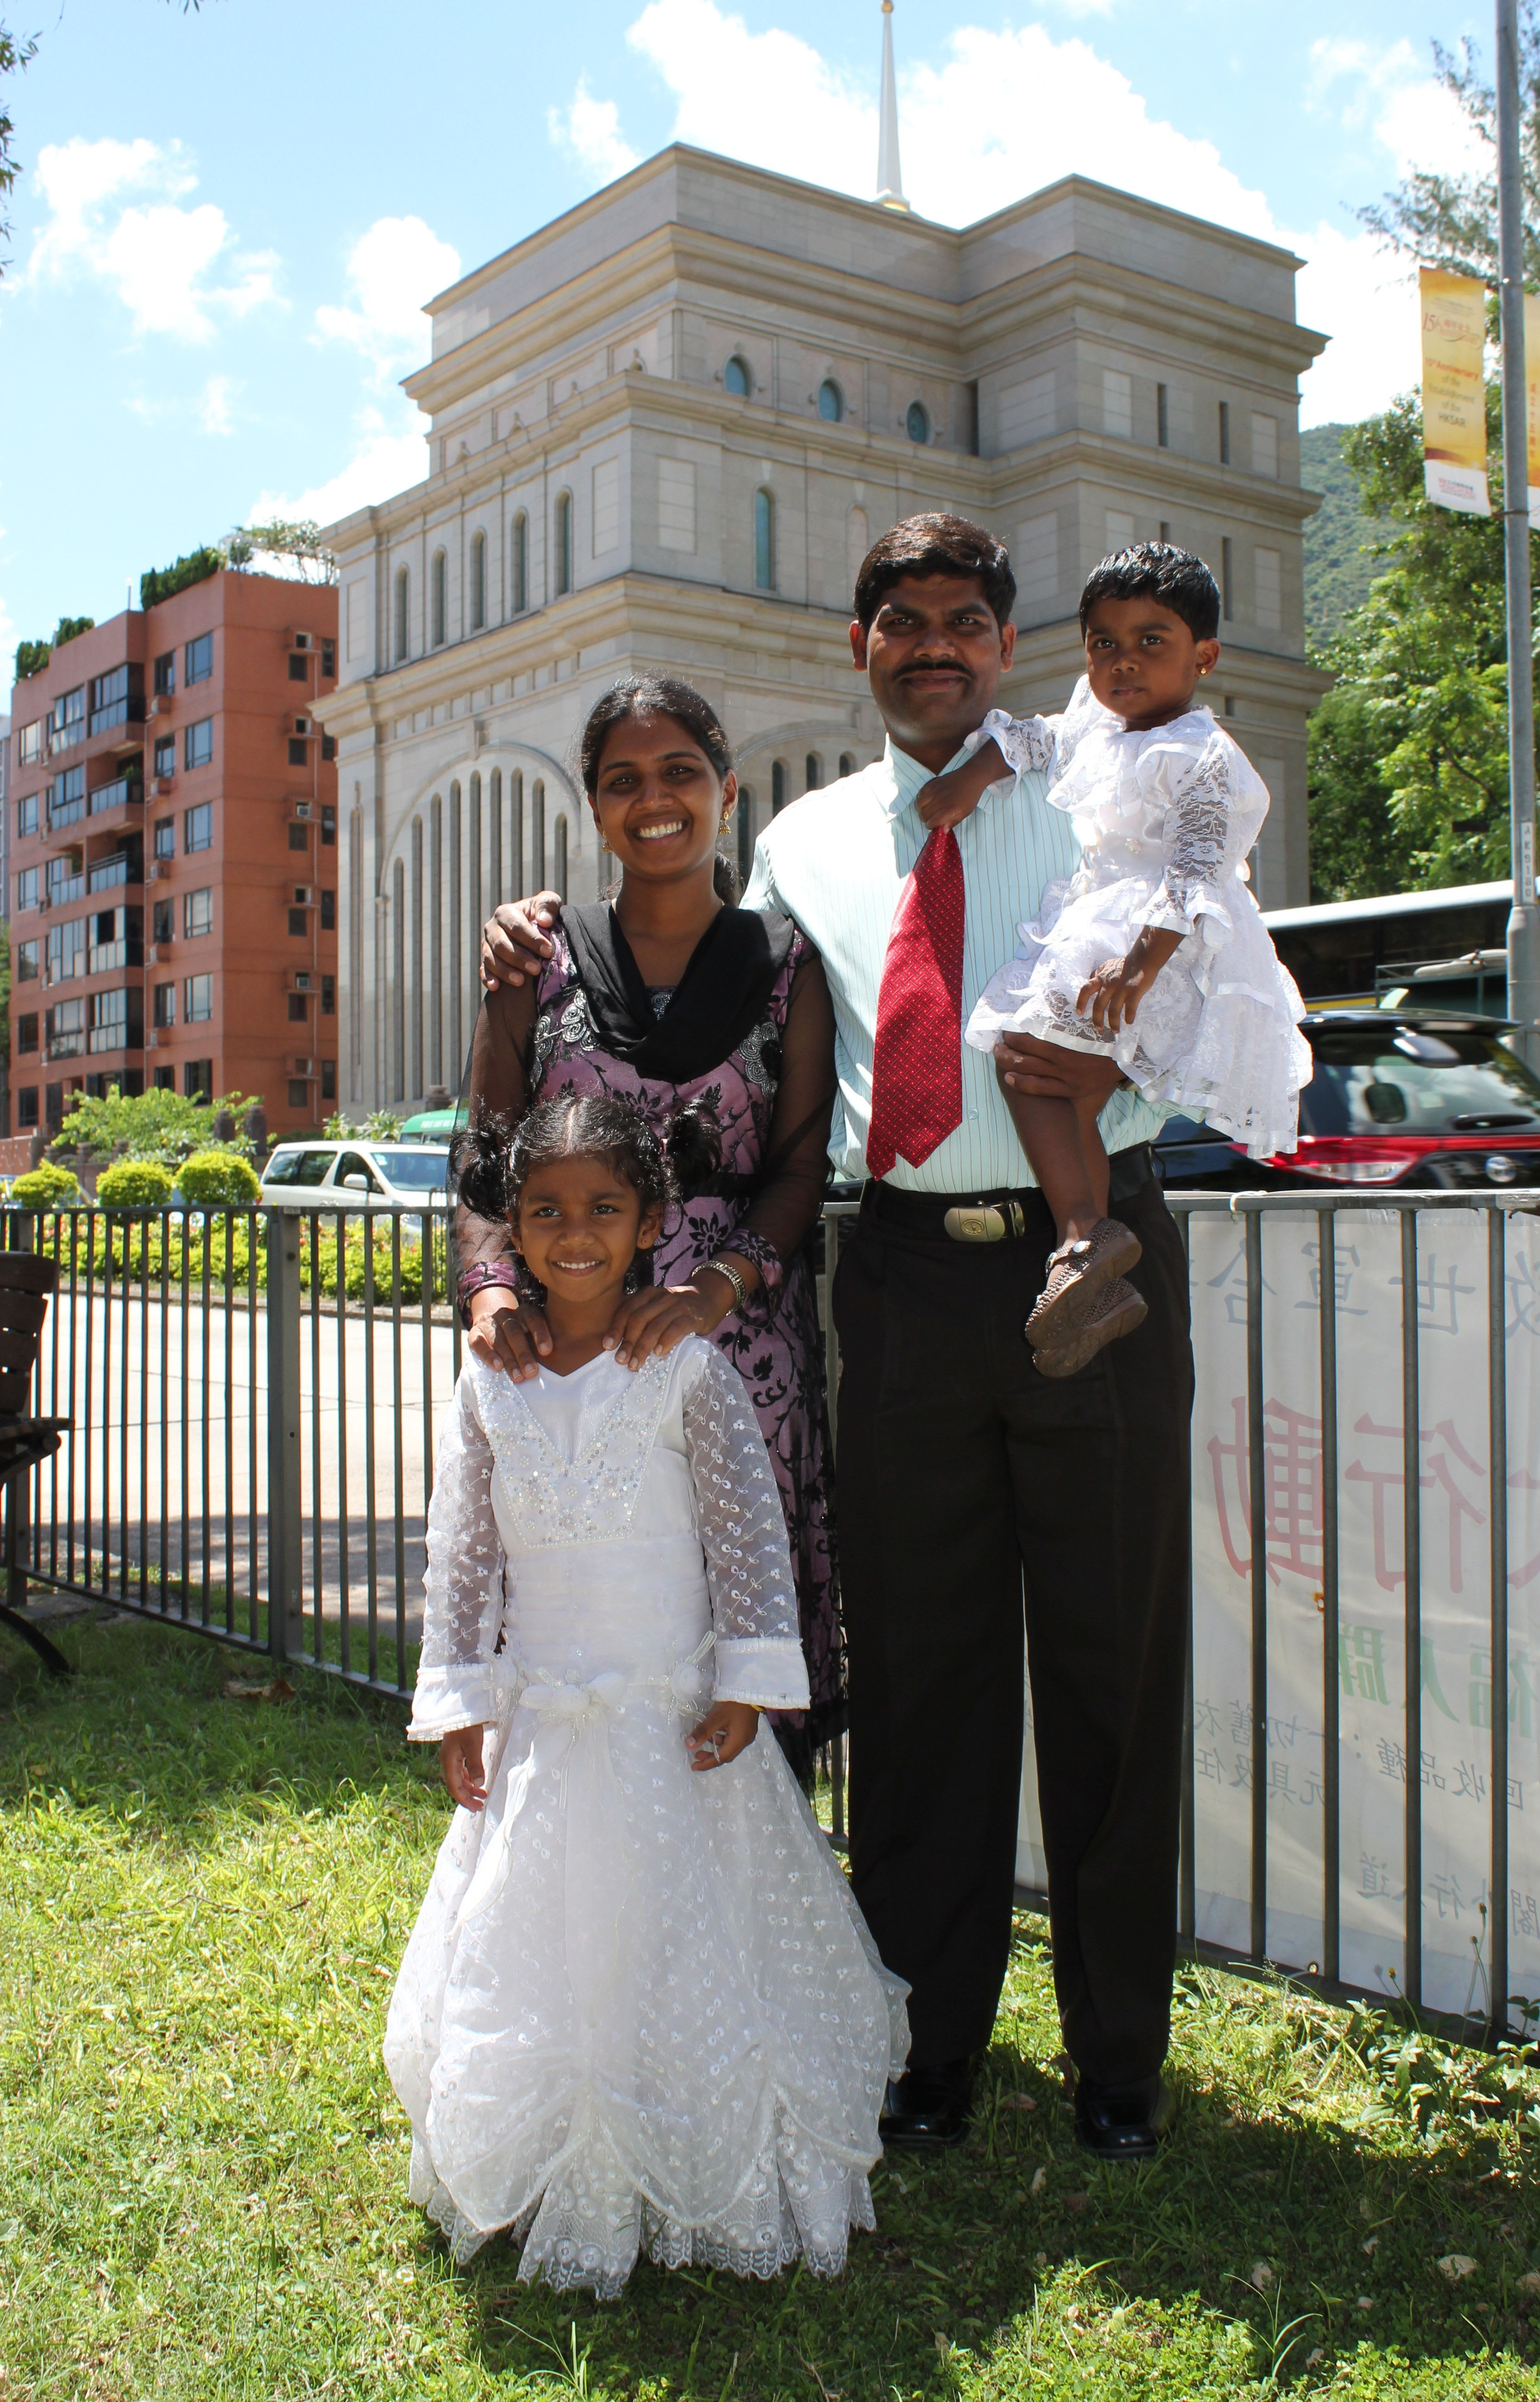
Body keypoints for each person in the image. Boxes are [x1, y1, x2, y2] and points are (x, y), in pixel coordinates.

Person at [483, 513, 1195, 2166]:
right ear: (858, 647)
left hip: (1092, 1252)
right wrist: (526, 935)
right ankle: (925, 2042)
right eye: (902, 621)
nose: (934, 644)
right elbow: (686, 969)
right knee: (927, 1676)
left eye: (965, 619)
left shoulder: (1103, 788)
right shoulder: (802, 846)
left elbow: (1204, 934)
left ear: (1004, 642)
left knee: (1112, 1658)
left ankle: (1118, 2056)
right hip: (903, 1282)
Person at [385, 1091, 908, 2299]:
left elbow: (747, 1536)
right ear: (514, 1227)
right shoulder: (490, 1382)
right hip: (544, 1733)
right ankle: (552, 2152)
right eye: (547, 1211)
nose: (576, 1234)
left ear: (652, 1221)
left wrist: (748, 1682)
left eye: (604, 1210)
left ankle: (700, 2129)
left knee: (688, 1939)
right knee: (541, 1951)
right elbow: (463, 1553)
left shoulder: (686, 1369)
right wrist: (461, 1700)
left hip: (676, 1733)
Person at [456, 677, 843, 1779]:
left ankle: (759, 1867)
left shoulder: (788, 964)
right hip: (567, 1349)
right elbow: (486, 1155)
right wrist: (492, 1293)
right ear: (595, 808)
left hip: (739, 1346)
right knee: (582, 1633)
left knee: (737, 1628)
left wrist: (715, 1289)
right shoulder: (536, 961)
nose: (655, 799)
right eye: (623, 780)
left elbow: (799, 1165)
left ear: (728, 791)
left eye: (680, 772)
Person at [915, 542, 1311, 1374]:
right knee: (1044, 1080)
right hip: (1111, 928)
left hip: (1168, 947)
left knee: (1027, 1058)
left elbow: (1197, 873)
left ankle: (1085, 1236)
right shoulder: (1098, 729)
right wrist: (973, 778)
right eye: (1104, 644)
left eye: (1150, 642)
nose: (1123, 661)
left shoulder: (1202, 754)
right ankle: (1086, 1258)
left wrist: (1140, 966)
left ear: (1204, 656)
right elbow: (1035, 739)